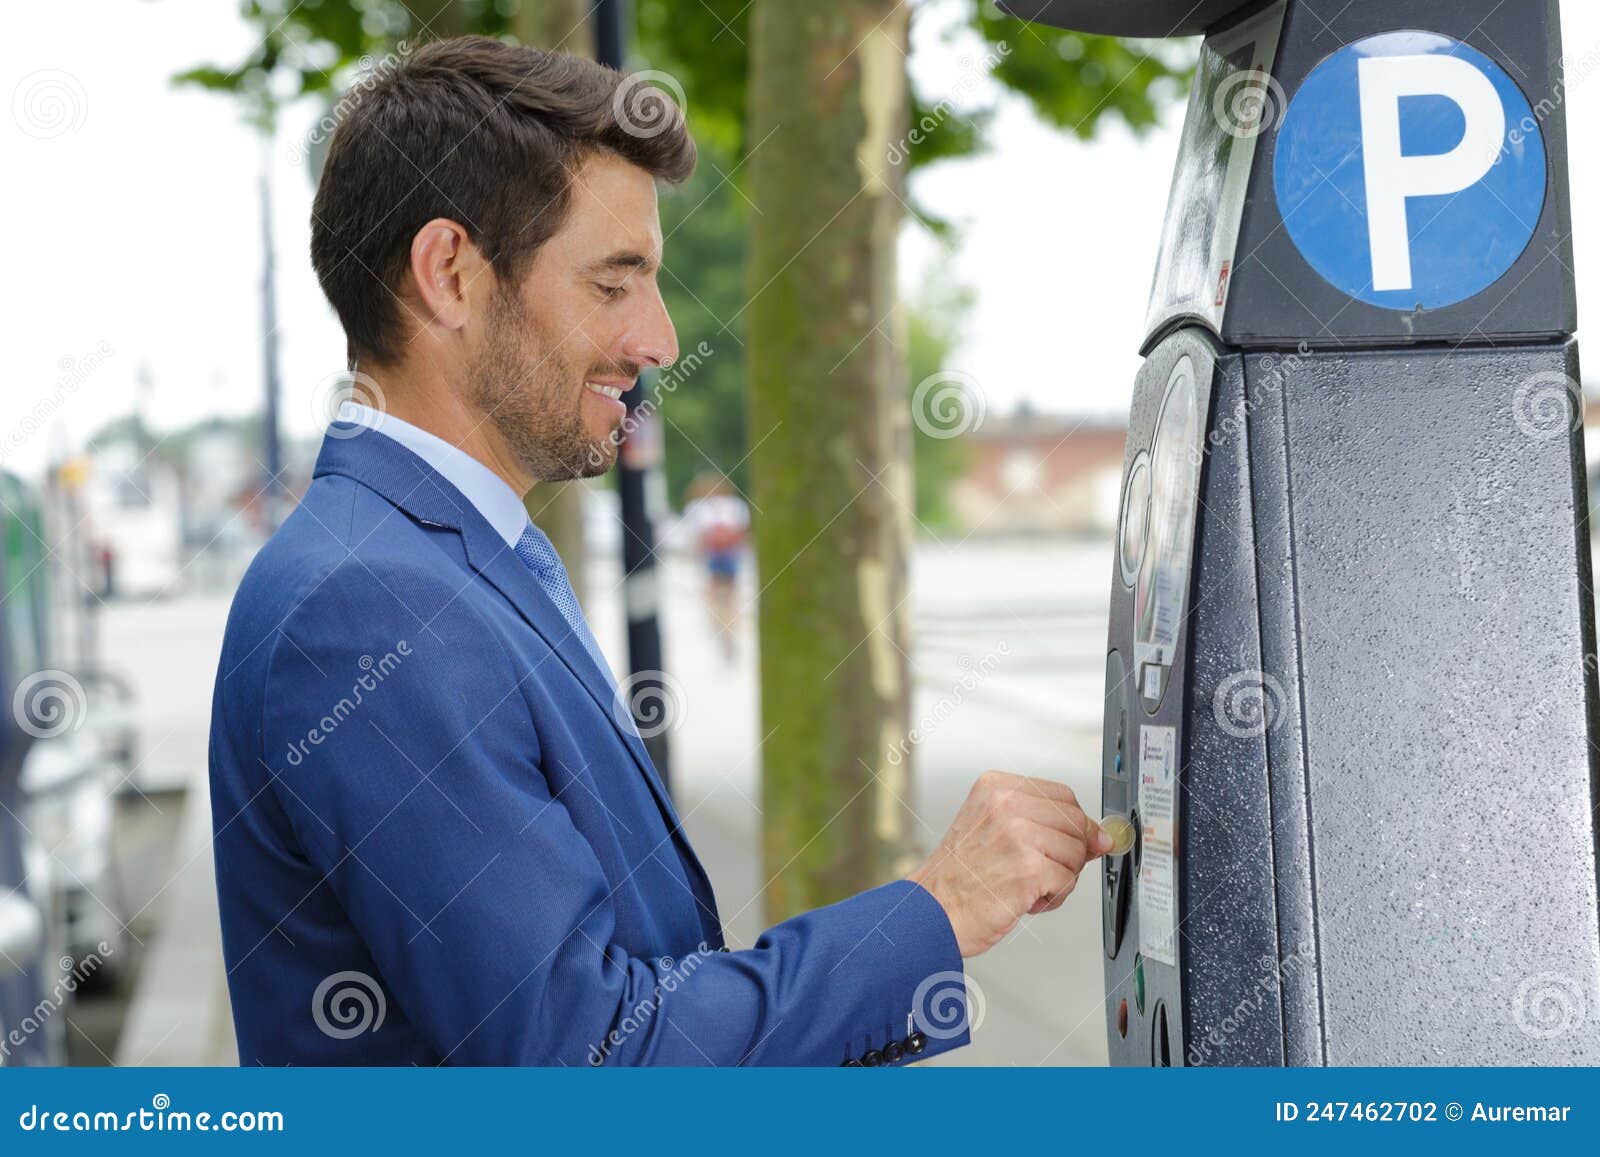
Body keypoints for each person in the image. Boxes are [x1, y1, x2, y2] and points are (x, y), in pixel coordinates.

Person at [208, 36, 1110, 1067]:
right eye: (614, 282)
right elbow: (595, 1055)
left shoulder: (447, 556)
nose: (661, 340)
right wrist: (937, 910)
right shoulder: (371, 605)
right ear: (449, 273)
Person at [683, 472, 748, 661]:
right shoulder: (732, 507)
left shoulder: (706, 509)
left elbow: (700, 538)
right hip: (723, 556)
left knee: (720, 595)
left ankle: (724, 624)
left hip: (720, 556)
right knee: (724, 595)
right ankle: (725, 624)